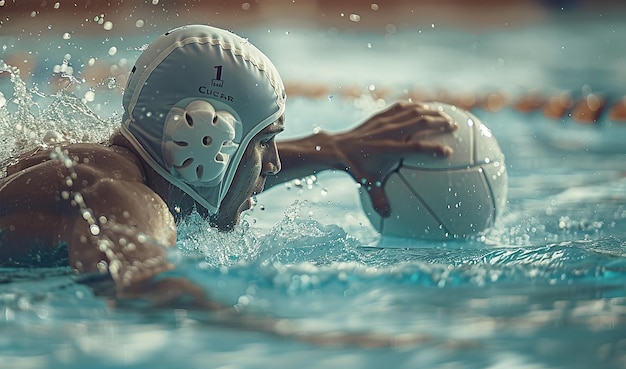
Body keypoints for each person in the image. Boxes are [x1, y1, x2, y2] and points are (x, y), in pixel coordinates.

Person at [0, 25, 456, 308]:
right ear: (204, 137)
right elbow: (142, 289)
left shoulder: (93, 164)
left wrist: (333, 148)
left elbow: (231, 173)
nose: (274, 165)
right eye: (265, 141)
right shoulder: (128, 201)